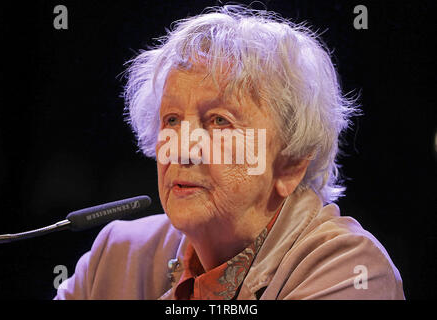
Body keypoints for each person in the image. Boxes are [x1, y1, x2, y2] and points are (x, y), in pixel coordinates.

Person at [54, 5, 404, 300]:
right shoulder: (117, 255)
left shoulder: (349, 269)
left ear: (292, 163)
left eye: (219, 121)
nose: (183, 147)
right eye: (172, 119)